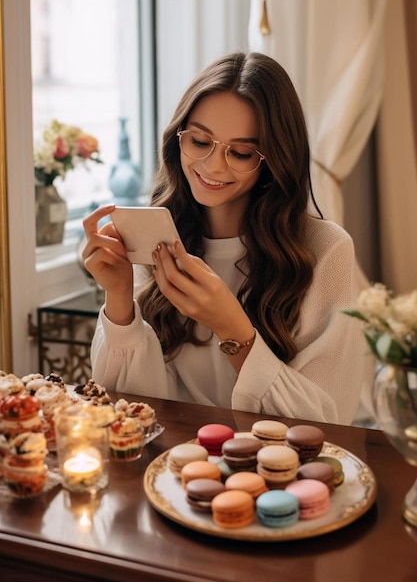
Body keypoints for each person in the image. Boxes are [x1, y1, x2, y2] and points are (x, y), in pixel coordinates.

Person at [82, 51, 371, 425]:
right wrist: (119, 300)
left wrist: (233, 329)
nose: (214, 166)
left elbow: (326, 421)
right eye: (200, 142)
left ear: (273, 159)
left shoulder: (324, 250)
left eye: (241, 152)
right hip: (172, 470)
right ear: (178, 140)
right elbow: (130, 412)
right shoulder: (157, 237)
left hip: (274, 476)